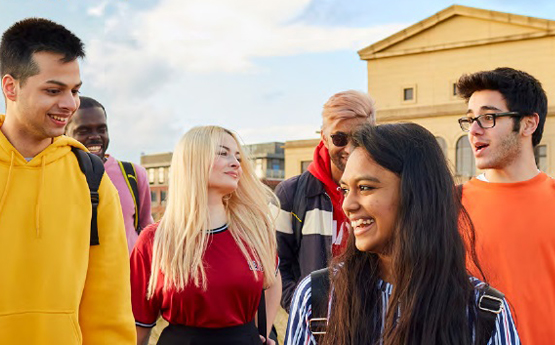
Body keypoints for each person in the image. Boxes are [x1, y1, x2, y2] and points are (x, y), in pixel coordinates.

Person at [285, 123, 520, 345]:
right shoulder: (318, 297)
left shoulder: (484, 312)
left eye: (365, 187)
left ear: (418, 195)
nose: (348, 204)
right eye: (345, 189)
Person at [0, 18, 135, 343]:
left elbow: (109, 303)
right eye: (53, 90)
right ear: (10, 87)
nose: (70, 104)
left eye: (75, 90)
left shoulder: (91, 176)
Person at [131, 126, 282, 345]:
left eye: (238, 156)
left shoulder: (255, 231)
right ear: (193, 160)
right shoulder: (155, 240)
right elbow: (139, 326)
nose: (236, 163)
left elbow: (273, 281)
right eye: (223, 153)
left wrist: (262, 333)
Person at [456, 67, 554, 344]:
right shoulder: (449, 206)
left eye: (488, 117)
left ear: (528, 124)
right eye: (470, 119)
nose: (473, 131)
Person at [275, 90, 376, 311]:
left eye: (360, 138)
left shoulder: (386, 189)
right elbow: (277, 265)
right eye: (339, 138)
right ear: (323, 137)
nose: (349, 148)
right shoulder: (291, 194)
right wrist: (306, 309)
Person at [66, 96, 154, 253]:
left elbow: (147, 229)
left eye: (101, 129)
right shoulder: (54, 174)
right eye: (84, 130)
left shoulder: (133, 174)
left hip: (127, 276)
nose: (95, 136)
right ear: (65, 134)